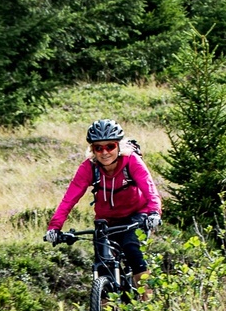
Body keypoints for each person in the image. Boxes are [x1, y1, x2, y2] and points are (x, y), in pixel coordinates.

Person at [45, 119, 161, 293]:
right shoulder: (89, 168)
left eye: (110, 146)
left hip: (136, 214)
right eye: (98, 148)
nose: (104, 152)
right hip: (106, 220)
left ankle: (147, 309)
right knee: (102, 266)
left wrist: (154, 213)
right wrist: (54, 227)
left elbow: (149, 188)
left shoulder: (132, 162)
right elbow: (69, 199)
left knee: (132, 248)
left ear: (119, 146)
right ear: (92, 150)